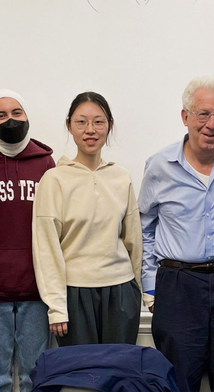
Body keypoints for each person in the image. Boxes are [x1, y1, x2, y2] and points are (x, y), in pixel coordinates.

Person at [140, 76, 214, 392]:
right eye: (203, 114)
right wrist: (152, 286)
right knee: (178, 381)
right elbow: (144, 228)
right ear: (185, 117)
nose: (211, 124)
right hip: (178, 288)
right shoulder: (159, 166)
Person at [32, 91, 142, 346]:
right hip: (75, 295)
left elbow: (133, 241)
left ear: (109, 126)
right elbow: (46, 248)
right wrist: (57, 307)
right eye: (81, 122)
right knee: (82, 378)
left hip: (121, 291)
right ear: (69, 126)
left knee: (119, 375)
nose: (90, 130)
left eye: (99, 121)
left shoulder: (120, 176)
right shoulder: (54, 179)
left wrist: (136, 291)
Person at [0, 89, 55, 392]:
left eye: (17, 113)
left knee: (34, 378)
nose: (10, 120)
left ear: (27, 116)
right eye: (0, 115)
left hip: (36, 291)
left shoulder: (46, 164)